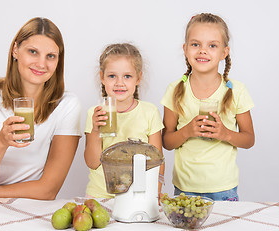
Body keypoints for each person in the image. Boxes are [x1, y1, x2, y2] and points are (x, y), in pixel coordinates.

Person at [0, 17, 81, 200]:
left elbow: (49, 189)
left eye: (50, 56)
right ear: (15, 51)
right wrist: (1, 142)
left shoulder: (67, 105)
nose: (41, 64)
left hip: (31, 205)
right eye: (33, 52)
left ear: (58, 60)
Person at [161, 13, 255, 201]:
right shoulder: (175, 90)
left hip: (223, 188)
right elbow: (167, 141)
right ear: (185, 49)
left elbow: (249, 139)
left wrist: (225, 134)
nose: (203, 51)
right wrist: (187, 131)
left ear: (224, 52)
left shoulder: (236, 90)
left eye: (212, 45)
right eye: (196, 44)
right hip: (185, 188)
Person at [84, 43, 165, 198]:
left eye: (127, 76)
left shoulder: (149, 112)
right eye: (112, 76)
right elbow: (92, 163)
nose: (119, 83)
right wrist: (95, 131)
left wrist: (157, 190)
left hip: (138, 195)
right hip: (101, 195)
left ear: (138, 78)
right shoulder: (95, 113)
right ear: (102, 77)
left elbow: (157, 159)